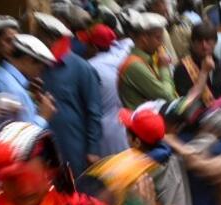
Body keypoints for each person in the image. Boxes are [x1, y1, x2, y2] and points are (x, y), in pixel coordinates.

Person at [33, 14, 103, 177]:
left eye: (41, 37)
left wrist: (93, 149)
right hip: (46, 147)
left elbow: (94, 111)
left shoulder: (81, 68)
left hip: (74, 147)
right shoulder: (38, 66)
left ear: (52, 38)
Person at [0, 33, 57, 129]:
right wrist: (43, 116)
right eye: (40, 68)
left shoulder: (3, 78)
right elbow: (20, 136)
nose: (40, 73)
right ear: (27, 60)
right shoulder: (12, 88)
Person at [86, 23, 132, 158]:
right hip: (127, 122)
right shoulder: (122, 56)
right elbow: (127, 42)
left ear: (93, 47)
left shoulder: (90, 66)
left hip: (104, 129)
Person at [118, 12, 177, 110]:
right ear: (144, 39)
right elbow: (167, 97)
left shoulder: (146, 60)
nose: (161, 43)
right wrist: (164, 67)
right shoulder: (135, 66)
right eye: (158, 38)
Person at [175, 22, 221, 105]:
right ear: (193, 43)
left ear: (215, 42)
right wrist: (204, 72)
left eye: (208, 41)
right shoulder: (182, 68)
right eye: (199, 41)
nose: (204, 46)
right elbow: (186, 102)